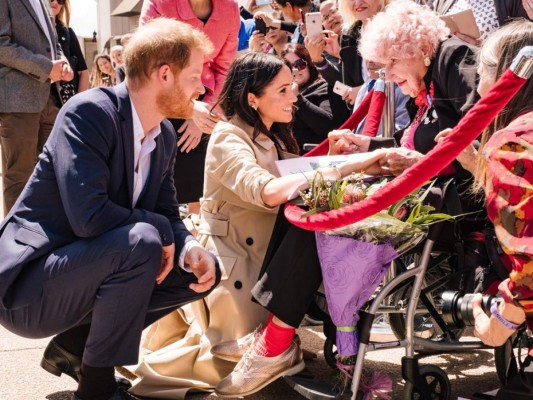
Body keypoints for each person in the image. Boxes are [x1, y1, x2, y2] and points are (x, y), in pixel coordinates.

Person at [130, 52, 386, 399]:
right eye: (282, 90)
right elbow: (267, 190)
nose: (294, 95)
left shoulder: (269, 134)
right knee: (218, 365)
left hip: (260, 258)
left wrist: (338, 154)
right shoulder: (228, 137)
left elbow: (290, 175)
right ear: (253, 98)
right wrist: (350, 163)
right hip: (234, 266)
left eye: (292, 87)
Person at [0, 18, 220, 400]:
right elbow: (90, 216)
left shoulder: (164, 134)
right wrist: (163, 234)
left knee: (198, 272)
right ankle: (96, 389)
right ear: (164, 74)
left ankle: (76, 344)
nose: (202, 87)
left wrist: (187, 247)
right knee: (144, 242)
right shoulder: (88, 112)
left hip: (90, 268)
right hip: (30, 288)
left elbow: (166, 211)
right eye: (195, 75)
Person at [435, 19, 533, 400]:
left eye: (481, 72)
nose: (475, 85)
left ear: (506, 73)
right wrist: (476, 162)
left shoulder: (513, 142)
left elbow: (529, 263)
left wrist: (492, 321)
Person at [140, 0, 240, 216]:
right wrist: (187, 108)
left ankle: (196, 242)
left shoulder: (230, 8)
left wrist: (205, 112)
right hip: (160, 99)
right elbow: (146, 61)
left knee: (199, 186)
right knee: (155, 186)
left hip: (206, 101)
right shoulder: (158, 3)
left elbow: (225, 69)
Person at [0, 0, 74, 215]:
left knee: (48, 174)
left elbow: (51, 43)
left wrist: (62, 61)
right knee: (19, 175)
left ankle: (41, 236)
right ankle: (15, 242)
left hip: (50, 99)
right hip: (18, 100)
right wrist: (46, 67)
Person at [306, 0, 391, 106]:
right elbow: (348, 86)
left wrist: (363, 92)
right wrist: (320, 59)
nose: (358, 2)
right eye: (325, 17)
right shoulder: (349, 36)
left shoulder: (397, 28)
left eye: (333, 12)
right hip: (366, 115)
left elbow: (403, 78)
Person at [282, 44, 350, 152]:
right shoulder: (281, 93)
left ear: (309, 64)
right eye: (289, 67)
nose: (295, 70)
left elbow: (329, 127)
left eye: (299, 64)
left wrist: (298, 99)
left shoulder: (325, 86)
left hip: (317, 155)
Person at [431, 0, 530, 44]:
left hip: (488, 78)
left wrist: (483, 52)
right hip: (450, 78)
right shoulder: (441, 1)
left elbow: (523, 47)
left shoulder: (515, 2)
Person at [51, 0, 89, 95]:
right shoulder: (28, 31)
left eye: (60, 0)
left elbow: (83, 72)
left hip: (65, 100)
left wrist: (78, 103)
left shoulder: (67, 32)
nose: (55, 2)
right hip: (36, 101)